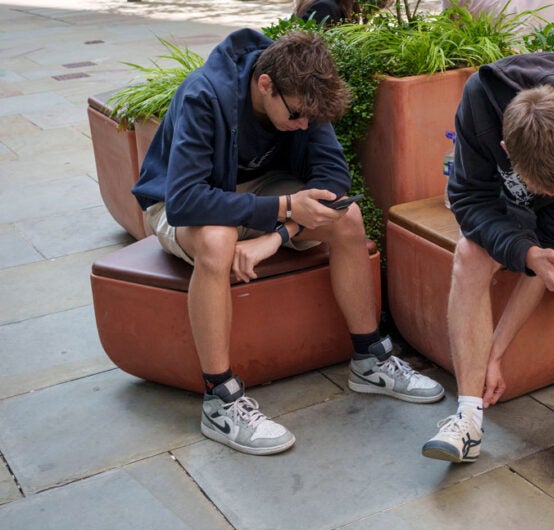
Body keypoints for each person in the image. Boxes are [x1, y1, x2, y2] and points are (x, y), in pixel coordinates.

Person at [131, 28, 444, 456]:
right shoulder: (205, 94)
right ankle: (220, 400)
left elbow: (334, 181)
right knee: (219, 242)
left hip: (262, 195)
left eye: (309, 120)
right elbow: (186, 200)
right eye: (296, 116)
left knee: (347, 218)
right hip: (180, 201)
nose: (303, 126)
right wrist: (283, 208)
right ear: (265, 85)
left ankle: (370, 358)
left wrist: (277, 236)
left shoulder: (304, 95)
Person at [420, 52, 554, 527]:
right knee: (469, 254)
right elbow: (468, 199)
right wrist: (523, 251)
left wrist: (497, 349)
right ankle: (468, 417)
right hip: (513, 201)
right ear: (504, 146)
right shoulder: (479, 103)